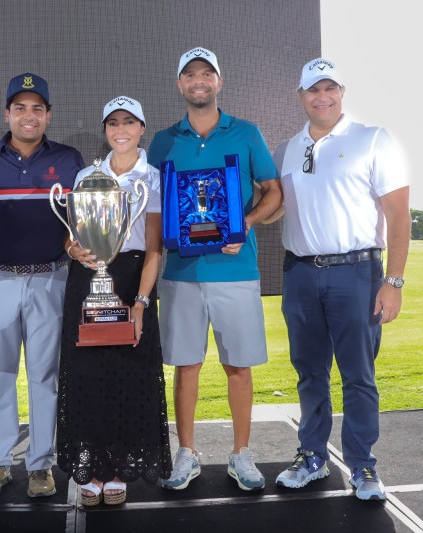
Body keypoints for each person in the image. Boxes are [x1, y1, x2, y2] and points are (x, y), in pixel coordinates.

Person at [270, 58, 410, 500]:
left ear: (342, 92)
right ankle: (312, 456)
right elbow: (273, 208)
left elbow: (398, 214)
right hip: (301, 274)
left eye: (330, 88)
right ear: (301, 97)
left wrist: (395, 281)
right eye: (313, 90)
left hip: (358, 272)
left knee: (358, 375)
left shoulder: (373, 139)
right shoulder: (286, 149)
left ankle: (363, 467)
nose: (322, 96)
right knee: (309, 372)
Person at [147, 47, 282, 491]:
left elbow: (273, 191)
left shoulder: (245, 133)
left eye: (207, 74)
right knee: (186, 366)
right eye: (190, 75)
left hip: (235, 271)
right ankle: (186, 453)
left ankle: (241, 454)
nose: (199, 81)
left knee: (238, 367)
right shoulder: (164, 141)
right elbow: (151, 205)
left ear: (219, 82)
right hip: (181, 274)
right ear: (180, 84)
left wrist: (242, 223)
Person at [0, 73, 84, 500]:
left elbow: (79, 222)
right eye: (20, 108)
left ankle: (39, 465)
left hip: (50, 279)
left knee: (44, 376)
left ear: (48, 115)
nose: (29, 115)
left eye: (37, 108)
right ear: (7, 114)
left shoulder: (69, 159)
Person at [56, 96, 172, 506]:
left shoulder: (153, 178)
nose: (120, 130)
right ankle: (92, 467)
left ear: (142, 128)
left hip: (133, 278)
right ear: (105, 129)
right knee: (88, 373)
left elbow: (155, 248)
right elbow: (71, 233)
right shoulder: (89, 173)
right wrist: (74, 251)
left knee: (129, 373)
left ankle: (120, 468)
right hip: (88, 278)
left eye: (129, 122)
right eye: (113, 123)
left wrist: (140, 303)